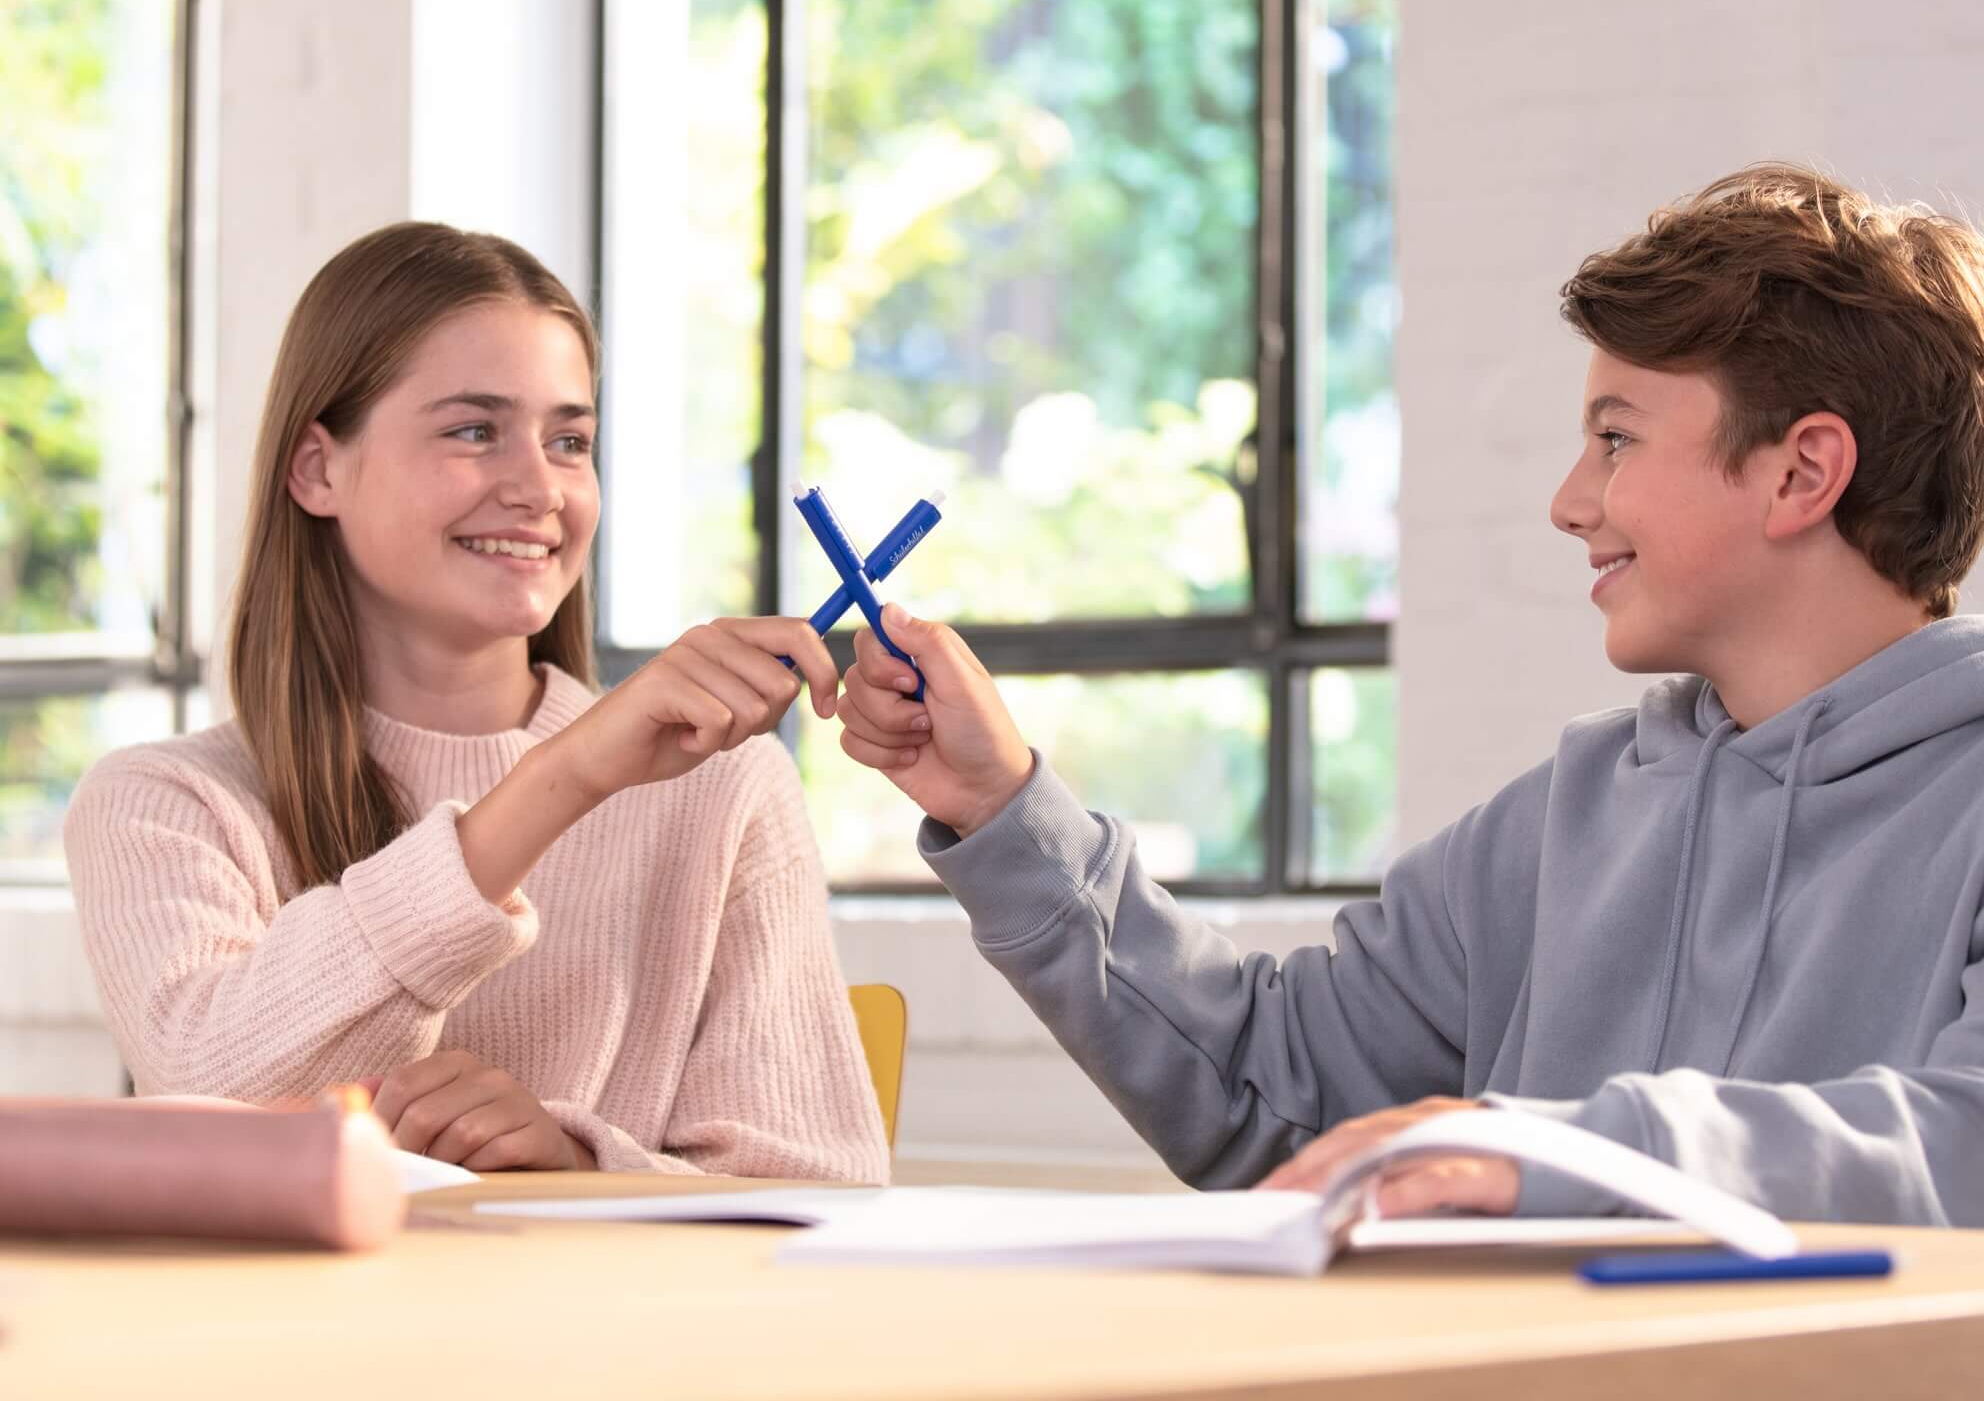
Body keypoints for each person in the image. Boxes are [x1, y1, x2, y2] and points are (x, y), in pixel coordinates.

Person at [831, 163, 1984, 1224]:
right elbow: (1273, 1089)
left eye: (1616, 439)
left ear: (1800, 472)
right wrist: (1001, 807)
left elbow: (1960, 1146)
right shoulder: (1564, 818)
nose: (1569, 502)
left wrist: (1567, 1153)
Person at [65, 221, 887, 1182]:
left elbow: (823, 1197)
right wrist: (565, 777)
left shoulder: (725, 789)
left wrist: (579, 1167)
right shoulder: (165, 805)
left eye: (570, 440)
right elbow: (214, 1106)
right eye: (473, 430)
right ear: (318, 470)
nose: (541, 487)